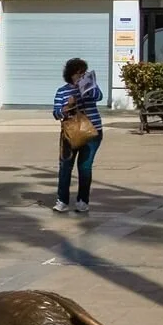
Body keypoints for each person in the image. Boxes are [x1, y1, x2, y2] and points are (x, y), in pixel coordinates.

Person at [52, 57, 103, 214]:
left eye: (83, 73)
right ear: (70, 74)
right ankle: (62, 200)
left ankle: (82, 201)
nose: (81, 76)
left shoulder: (89, 88)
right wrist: (67, 106)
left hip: (92, 132)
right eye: (78, 73)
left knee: (85, 167)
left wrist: (86, 89)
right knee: (65, 166)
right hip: (70, 133)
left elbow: (99, 96)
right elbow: (56, 113)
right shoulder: (62, 91)